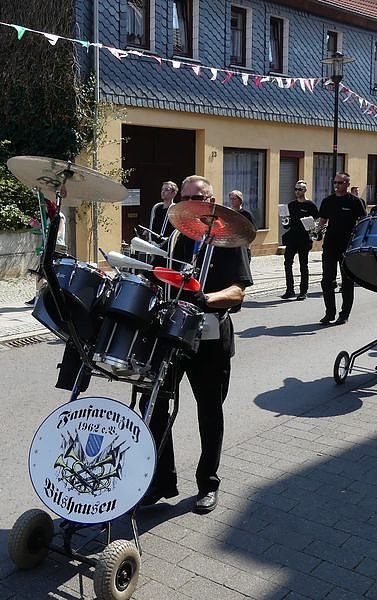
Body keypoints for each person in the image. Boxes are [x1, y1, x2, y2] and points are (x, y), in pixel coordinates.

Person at [141, 175, 253, 514]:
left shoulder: (229, 238)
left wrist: (207, 298)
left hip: (211, 336)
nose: (192, 202)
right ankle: (162, 481)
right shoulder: (174, 237)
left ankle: (208, 483)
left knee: (209, 411)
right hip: (172, 334)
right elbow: (154, 275)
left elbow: (238, 291)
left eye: (199, 197)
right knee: (154, 404)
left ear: (211, 201)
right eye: (186, 197)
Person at [317, 172, 367, 325]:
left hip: (348, 246)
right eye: (335, 182)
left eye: (340, 183)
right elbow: (323, 220)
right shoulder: (328, 201)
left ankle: (344, 314)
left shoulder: (355, 202)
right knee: (327, 281)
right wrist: (317, 231)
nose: (336, 185)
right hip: (330, 245)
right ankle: (329, 313)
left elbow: (363, 222)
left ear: (347, 184)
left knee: (347, 282)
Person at [280, 180, 318, 300]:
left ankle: (303, 291)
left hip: (304, 239)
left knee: (303, 265)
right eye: (296, 189)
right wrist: (285, 221)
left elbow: (317, 222)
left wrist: (312, 225)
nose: (297, 191)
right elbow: (286, 225)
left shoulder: (310, 205)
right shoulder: (291, 205)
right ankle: (290, 290)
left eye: (300, 189)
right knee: (287, 264)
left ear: (305, 190)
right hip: (292, 238)